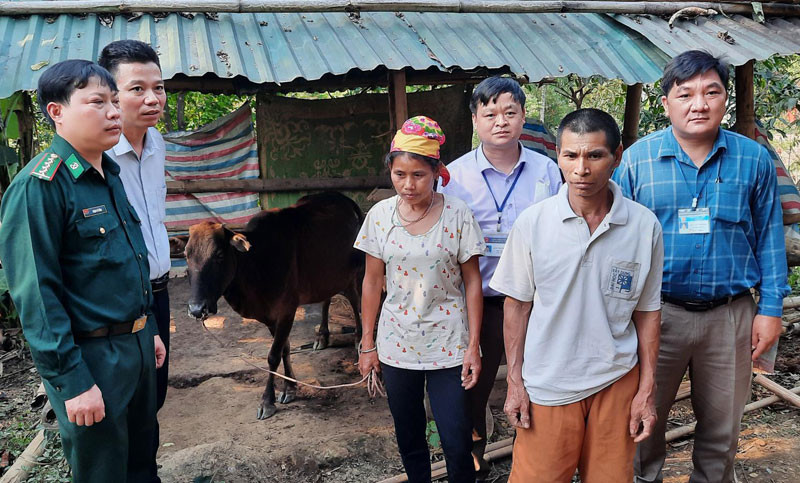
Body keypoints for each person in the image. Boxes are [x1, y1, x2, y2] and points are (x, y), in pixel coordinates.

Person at [614, 50, 790, 483]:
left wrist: (770, 310)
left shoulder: (753, 159)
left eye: (712, 92)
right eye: (686, 93)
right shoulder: (638, 160)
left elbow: (769, 237)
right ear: (666, 103)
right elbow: (617, 243)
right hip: (657, 315)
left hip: (730, 316)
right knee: (642, 417)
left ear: (725, 99)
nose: (699, 103)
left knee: (722, 427)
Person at [0, 59, 165, 482]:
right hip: (92, 360)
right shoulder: (40, 187)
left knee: (142, 464)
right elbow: (37, 295)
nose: (114, 111)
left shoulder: (108, 174)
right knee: (103, 472)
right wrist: (72, 381)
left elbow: (127, 261)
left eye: (114, 101)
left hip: (138, 347)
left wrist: (148, 329)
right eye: (98, 102)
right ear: (57, 111)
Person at [490, 109, 663, 482]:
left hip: (616, 381)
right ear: (558, 156)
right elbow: (516, 308)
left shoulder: (643, 225)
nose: (581, 169)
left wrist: (646, 389)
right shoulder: (533, 224)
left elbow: (648, 312)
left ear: (617, 157)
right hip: (548, 385)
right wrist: (515, 383)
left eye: (594, 155)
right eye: (571, 156)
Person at [438, 76, 562, 477]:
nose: (501, 121)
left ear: (524, 116)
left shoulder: (549, 172)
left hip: (539, 304)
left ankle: (541, 460)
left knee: (542, 382)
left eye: (510, 112)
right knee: (471, 387)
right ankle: (475, 461)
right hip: (482, 304)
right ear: (475, 120)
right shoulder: (453, 178)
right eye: (490, 113)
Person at [356, 116, 485, 483]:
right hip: (397, 342)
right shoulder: (380, 217)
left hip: (449, 343)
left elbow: (472, 283)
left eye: (418, 175)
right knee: (409, 435)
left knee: (456, 438)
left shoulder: (457, 214)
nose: (408, 185)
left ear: (436, 172)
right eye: (399, 175)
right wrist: (368, 345)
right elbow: (371, 282)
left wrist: (473, 346)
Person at [99, 39, 170, 483]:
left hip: (158, 293)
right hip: (119, 302)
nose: (152, 99)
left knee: (153, 401)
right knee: (118, 409)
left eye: (159, 88)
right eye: (137, 89)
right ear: (110, 95)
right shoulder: (97, 156)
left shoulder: (158, 143)